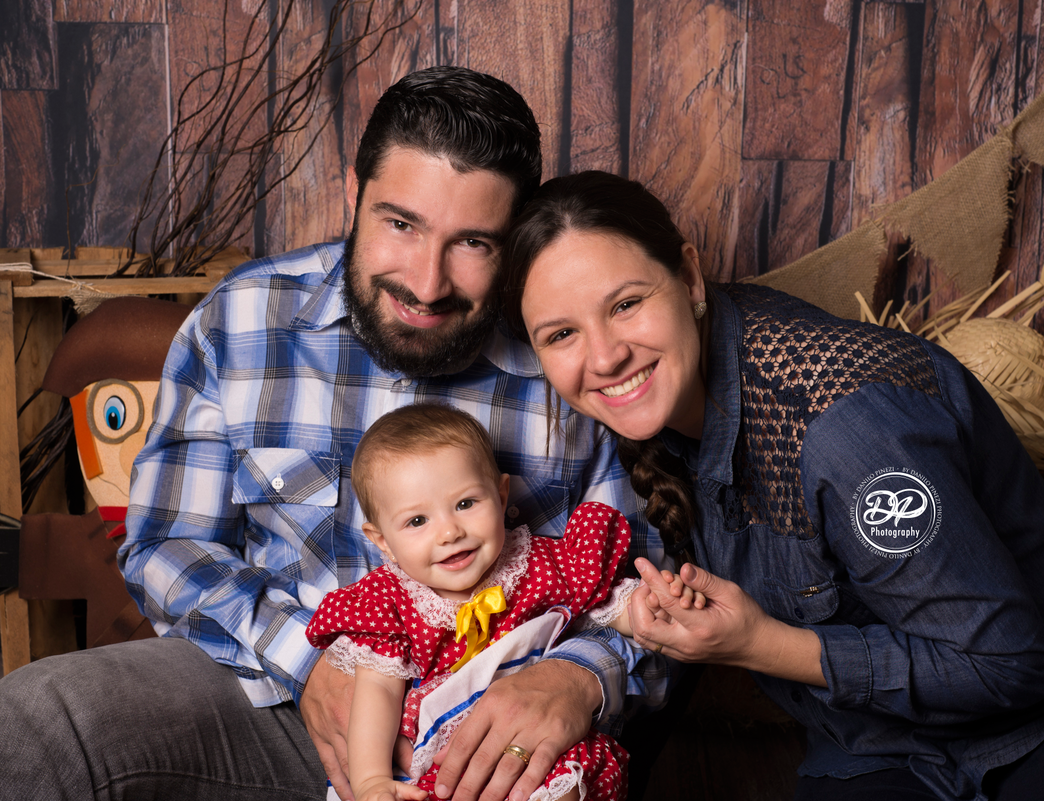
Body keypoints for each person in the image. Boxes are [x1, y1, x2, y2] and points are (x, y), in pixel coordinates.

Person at [0, 70, 669, 801]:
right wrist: (308, 659)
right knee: (37, 718)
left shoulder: (565, 351)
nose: (427, 283)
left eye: (473, 242)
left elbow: (645, 581)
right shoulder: (244, 318)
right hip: (271, 702)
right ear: (354, 193)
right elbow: (166, 544)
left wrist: (579, 677)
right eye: (401, 224)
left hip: (490, 727)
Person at [501, 170, 1044, 801]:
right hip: (877, 750)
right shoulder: (640, 416)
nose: (604, 356)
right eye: (561, 334)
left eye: (626, 304)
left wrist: (758, 643)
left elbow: (1006, 665)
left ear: (688, 275)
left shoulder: (847, 428)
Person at [307, 404, 697, 801]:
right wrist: (372, 781)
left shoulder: (537, 563)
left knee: (563, 781)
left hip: (531, 739)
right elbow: (377, 695)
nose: (449, 532)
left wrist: (648, 607)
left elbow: (605, 603)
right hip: (436, 758)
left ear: (500, 494)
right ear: (383, 542)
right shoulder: (387, 602)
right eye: (417, 521)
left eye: (465, 503)